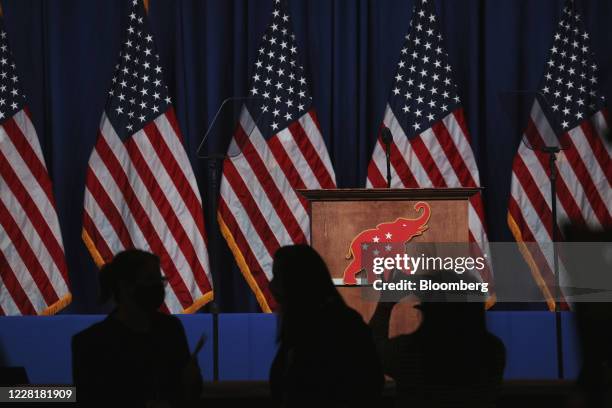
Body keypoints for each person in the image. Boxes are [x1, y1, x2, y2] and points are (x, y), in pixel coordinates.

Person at [72, 249, 202, 407]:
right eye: (149, 279)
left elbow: (188, 395)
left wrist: (191, 383)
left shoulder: (171, 329)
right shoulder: (91, 343)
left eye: (159, 280)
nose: (157, 286)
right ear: (125, 286)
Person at [269, 244, 384, 407]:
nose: (271, 286)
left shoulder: (342, 328)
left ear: (296, 282)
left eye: (277, 277)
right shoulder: (301, 329)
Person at [369, 271, 505, 407]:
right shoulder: (493, 352)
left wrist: (386, 303)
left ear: (430, 312)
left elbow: (370, 353)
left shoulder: (411, 352)